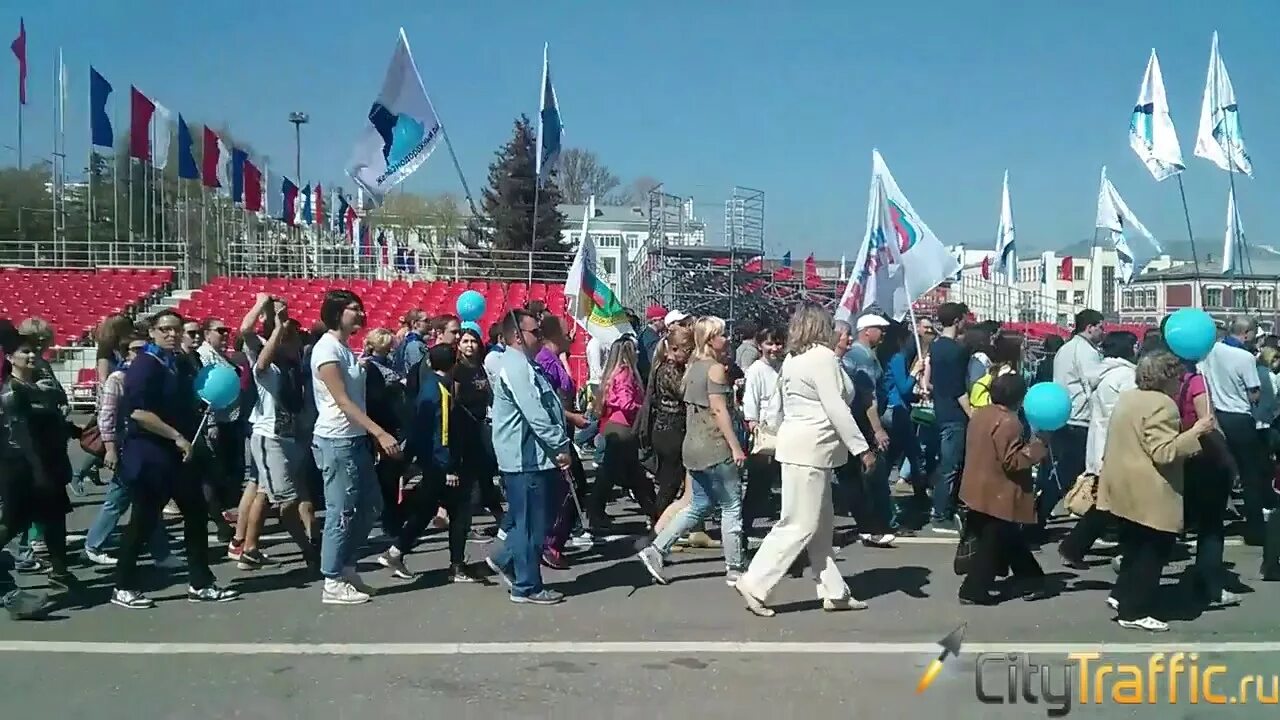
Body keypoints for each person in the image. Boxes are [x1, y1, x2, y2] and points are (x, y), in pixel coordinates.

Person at [732, 303, 874, 617]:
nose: (835, 329)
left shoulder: (794, 359)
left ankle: (834, 591)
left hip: (800, 445)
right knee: (799, 524)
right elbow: (837, 407)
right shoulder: (822, 358)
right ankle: (754, 581)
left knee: (820, 527)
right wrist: (861, 448)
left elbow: (782, 403)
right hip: (813, 448)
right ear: (819, 327)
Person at [110, 309, 239, 609]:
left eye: (176, 329)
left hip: (179, 456)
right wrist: (176, 436)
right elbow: (137, 412)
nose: (172, 334)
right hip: (151, 454)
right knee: (142, 521)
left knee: (195, 517)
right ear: (152, 331)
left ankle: (201, 581)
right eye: (165, 329)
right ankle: (123, 585)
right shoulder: (145, 365)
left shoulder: (177, 363)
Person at [1100, 351, 1216, 632]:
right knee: (1153, 551)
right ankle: (1135, 610)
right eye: (1177, 377)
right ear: (1167, 378)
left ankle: (1121, 595)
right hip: (1148, 487)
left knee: (1134, 547)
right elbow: (1164, 452)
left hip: (1121, 482)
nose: (1180, 382)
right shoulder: (1163, 405)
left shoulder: (1129, 397)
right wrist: (1197, 432)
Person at [637, 315, 748, 586]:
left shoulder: (692, 367)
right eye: (721, 334)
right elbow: (719, 410)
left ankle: (656, 548)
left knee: (698, 505)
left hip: (692, 446)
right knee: (731, 505)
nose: (727, 339)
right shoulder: (714, 369)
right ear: (710, 340)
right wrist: (736, 447)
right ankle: (735, 567)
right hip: (714, 445)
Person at [310, 289, 400, 606]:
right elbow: (343, 401)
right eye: (353, 309)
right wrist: (380, 433)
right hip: (336, 440)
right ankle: (332, 579)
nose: (360, 314)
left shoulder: (345, 349)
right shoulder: (327, 350)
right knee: (341, 512)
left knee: (371, 505)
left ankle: (346, 567)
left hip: (355, 438)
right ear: (336, 312)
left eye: (361, 309)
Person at [484, 309, 573, 606]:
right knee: (530, 526)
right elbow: (536, 414)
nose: (541, 335)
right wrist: (561, 445)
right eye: (535, 331)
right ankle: (527, 586)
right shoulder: (516, 367)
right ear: (518, 336)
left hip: (535, 457)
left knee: (534, 521)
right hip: (526, 460)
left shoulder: (525, 365)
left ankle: (506, 559)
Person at [378, 344, 486, 583]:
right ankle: (457, 566)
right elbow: (443, 432)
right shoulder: (442, 392)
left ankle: (396, 552)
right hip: (440, 464)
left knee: (426, 510)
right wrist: (449, 467)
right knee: (459, 513)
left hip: (430, 461)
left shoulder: (427, 388)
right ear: (454, 363)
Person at [240, 294, 318, 573]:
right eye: (289, 337)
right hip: (269, 437)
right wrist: (263, 307)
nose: (295, 341)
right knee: (287, 502)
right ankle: (310, 551)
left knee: (264, 492)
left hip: (291, 438)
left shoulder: (295, 367)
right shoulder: (267, 365)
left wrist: (281, 322)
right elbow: (246, 333)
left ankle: (249, 548)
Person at [82, 337, 177, 568]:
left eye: (143, 349)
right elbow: (107, 417)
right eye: (135, 350)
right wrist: (111, 449)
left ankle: (160, 552)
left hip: (145, 445)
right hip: (126, 446)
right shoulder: (118, 378)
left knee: (148, 501)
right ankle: (94, 544)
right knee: (118, 499)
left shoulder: (151, 375)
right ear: (125, 354)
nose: (140, 354)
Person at [957, 374, 1050, 605]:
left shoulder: (982, 413)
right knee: (993, 543)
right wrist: (1038, 447)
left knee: (1007, 538)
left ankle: (1031, 578)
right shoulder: (1009, 422)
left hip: (977, 486)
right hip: (999, 492)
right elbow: (1012, 461)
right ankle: (973, 589)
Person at [1199, 316, 1265, 545]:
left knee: (1218, 473)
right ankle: (1255, 529)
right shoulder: (1245, 357)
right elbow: (1254, 392)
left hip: (1215, 415)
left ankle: (1210, 524)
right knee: (1250, 475)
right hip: (1239, 417)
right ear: (1246, 333)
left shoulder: (1211, 350)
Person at [839, 313, 895, 547]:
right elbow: (867, 398)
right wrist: (877, 429)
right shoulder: (861, 358)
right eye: (880, 329)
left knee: (855, 478)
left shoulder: (865, 356)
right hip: (859, 426)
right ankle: (876, 524)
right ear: (867, 331)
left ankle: (871, 524)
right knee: (866, 475)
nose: (883, 334)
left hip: (855, 426)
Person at [590, 338, 656, 525]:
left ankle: (652, 509)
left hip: (615, 425)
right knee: (614, 473)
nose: (638, 353)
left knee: (627, 473)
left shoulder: (613, 372)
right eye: (635, 350)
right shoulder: (626, 373)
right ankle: (652, 510)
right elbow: (625, 402)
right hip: (622, 428)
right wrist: (642, 406)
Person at [1051, 309, 1105, 505]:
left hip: (1065, 415)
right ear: (1089, 328)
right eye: (1101, 327)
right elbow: (1094, 382)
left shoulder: (1066, 348)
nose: (1103, 332)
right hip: (1081, 417)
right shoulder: (1086, 352)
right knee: (1074, 470)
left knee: (1063, 471)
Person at [927, 302, 970, 534]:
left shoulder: (935, 347)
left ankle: (942, 508)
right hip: (955, 413)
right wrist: (972, 413)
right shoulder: (956, 350)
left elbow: (932, 379)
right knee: (951, 466)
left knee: (947, 463)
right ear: (956, 321)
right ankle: (941, 514)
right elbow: (958, 388)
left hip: (940, 409)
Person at [643, 325, 693, 519]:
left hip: (669, 427)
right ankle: (658, 522)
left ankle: (662, 519)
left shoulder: (666, 367)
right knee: (670, 482)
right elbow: (683, 391)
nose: (689, 355)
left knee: (672, 479)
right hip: (669, 428)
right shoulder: (668, 369)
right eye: (687, 351)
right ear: (673, 349)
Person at [741, 325, 785, 537]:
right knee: (758, 482)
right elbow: (751, 399)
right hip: (765, 429)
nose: (774, 348)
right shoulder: (756, 369)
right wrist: (753, 422)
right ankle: (745, 525)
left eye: (777, 343)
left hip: (783, 427)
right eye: (769, 343)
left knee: (783, 480)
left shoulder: (783, 366)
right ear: (760, 345)